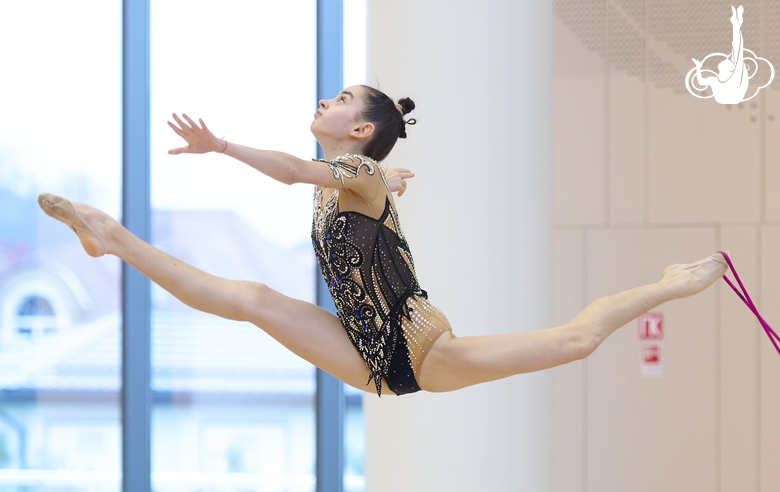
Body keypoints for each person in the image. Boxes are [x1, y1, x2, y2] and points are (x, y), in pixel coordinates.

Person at [38, 84, 728, 396]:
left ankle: (669, 282)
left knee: (577, 341)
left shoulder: (351, 169)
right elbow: (363, 190)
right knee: (249, 297)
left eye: (339, 100)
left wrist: (220, 145)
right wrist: (387, 181)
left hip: (422, 350)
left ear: (360, 129)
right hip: (363, 350)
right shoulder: (359, 174)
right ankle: (111, 237)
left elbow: (292, 173)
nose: (324, 103)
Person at [692, 5, 749, 104]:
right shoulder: (719, 79)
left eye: (727, 61)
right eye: (728, 61)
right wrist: (698, 67)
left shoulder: (727, 78)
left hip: (732, 97)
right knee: (737, 51)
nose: (724, 59)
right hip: (730, 97)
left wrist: (698, 67)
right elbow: (701, 82)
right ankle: (736, 23)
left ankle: (736, 23)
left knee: (737, 51)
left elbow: (737, 49)